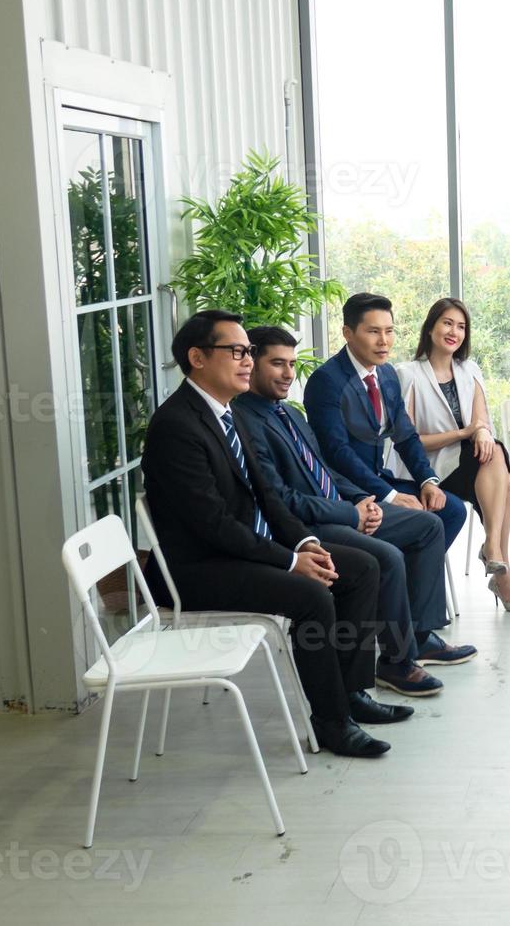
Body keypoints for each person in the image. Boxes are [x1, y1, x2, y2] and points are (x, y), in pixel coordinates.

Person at [141, 310, 391, 758]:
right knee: (311, 595)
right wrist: (290, 563)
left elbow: (268, 498)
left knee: (360, 567)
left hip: (238, 549)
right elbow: (214, 525)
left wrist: (304, 543)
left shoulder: (225, 412)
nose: (246, 361)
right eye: (235, 351)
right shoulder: (176, 427)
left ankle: (351, 694)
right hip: (196, 568)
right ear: (197, 358)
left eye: (248, 352)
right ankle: (332, 723)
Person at [234, 326, 450, 700]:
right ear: (251, 364)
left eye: (291, 364)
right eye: (277, 364)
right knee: (386, 557)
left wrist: (368, 501)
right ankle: (396, 663)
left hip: (340, 506)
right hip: (309, 524)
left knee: (429, 525)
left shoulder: (289, 413)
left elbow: (325, 469)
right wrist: (351, 513)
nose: (288, 374)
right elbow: (280, 499)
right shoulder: (245, 421)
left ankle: (416, 636)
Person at [303, 292, 475, 668]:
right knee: (426, 525)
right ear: (348, 333)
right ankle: (414, 635)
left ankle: (411, 623)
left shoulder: (386, 375)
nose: (384, 341)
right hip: (346, 490)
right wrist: (390, 495)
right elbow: (336, 454)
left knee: (452, 510)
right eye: (373, 332)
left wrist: (428, 480)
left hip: (378, 477)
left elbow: (407, 436)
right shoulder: (327, 382)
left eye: (390, 331)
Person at [394, 298, 510, 614]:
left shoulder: (470, 370)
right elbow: (410, 441)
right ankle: (498, 563)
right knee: (506, 483)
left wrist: (481, 432)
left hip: (473, 465)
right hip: (431, 471)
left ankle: (494, 549)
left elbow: (481, 423)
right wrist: (464, 433)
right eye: (447, 323)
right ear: (430, 327)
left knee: (496, 455)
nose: (454, 331)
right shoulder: (408, 374)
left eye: (461, 326)